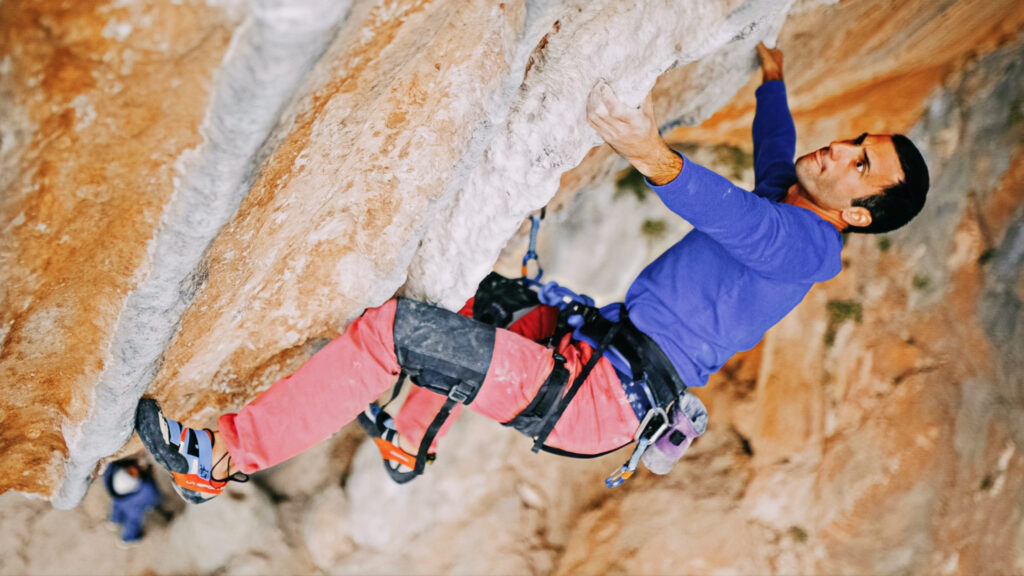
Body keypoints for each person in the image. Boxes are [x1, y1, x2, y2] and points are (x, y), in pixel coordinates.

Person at [135, 43, 929, 503]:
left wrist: (644, 147)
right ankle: (408, 443)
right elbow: (778, 158)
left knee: (395, 333)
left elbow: (730, 212)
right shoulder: (800, 206)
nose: (843, 151)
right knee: (480, 297)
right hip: (599, 350)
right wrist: (774, 77)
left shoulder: (802, 246)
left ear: (857, 213)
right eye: (856, 138)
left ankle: (223, 459)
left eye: (860, 165)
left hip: (597, 401)